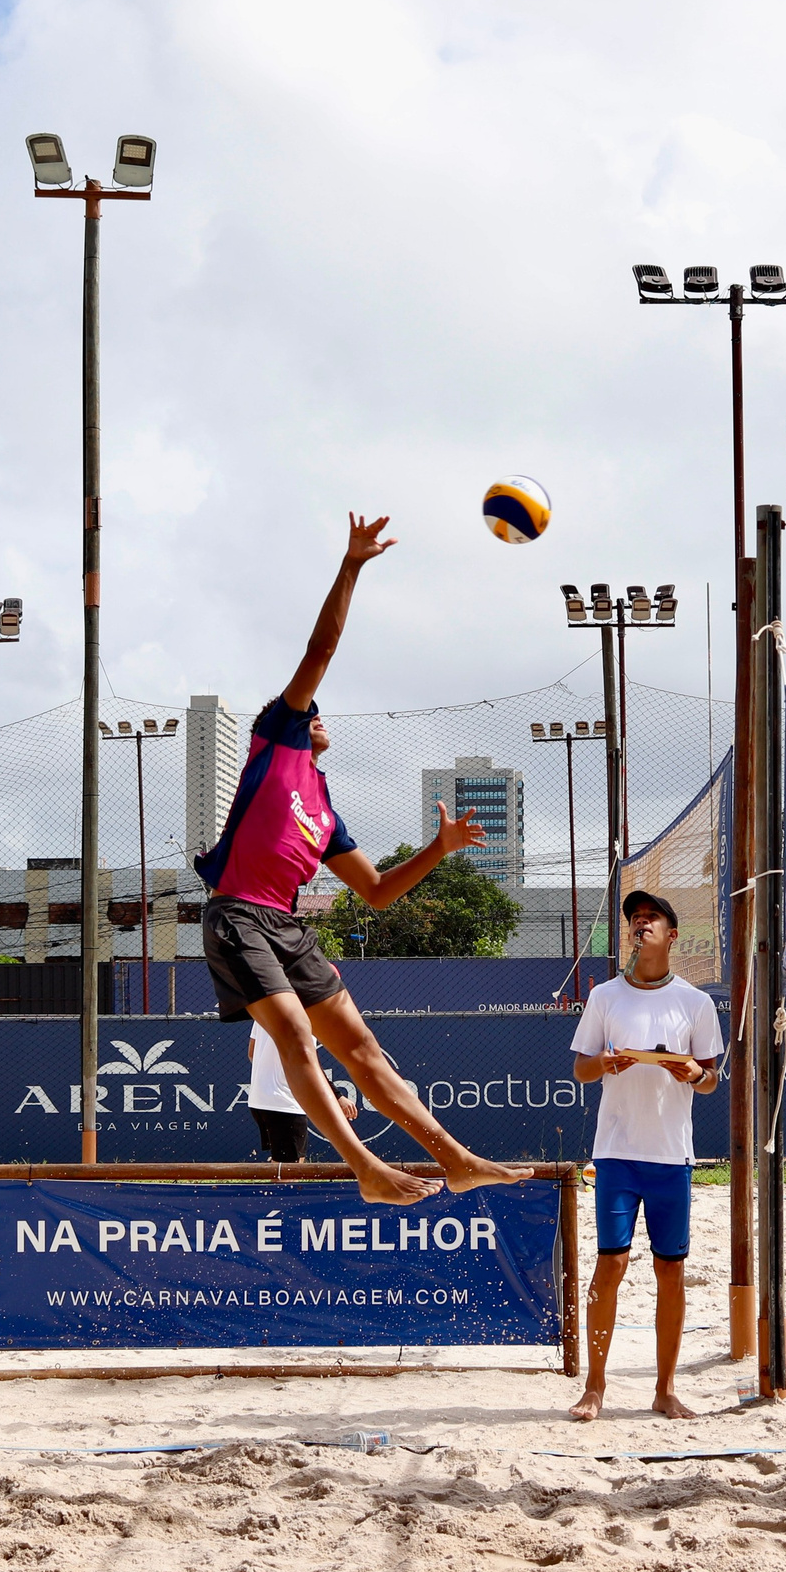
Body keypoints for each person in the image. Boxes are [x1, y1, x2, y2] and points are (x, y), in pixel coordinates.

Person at [195, 512, 523, 1206]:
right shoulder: (274, 741)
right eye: (313, 709)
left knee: (366, 1052)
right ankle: (366, 1167)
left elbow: (375, 890)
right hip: (236, 916)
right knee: (290, 1032)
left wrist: (437, 848)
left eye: (319, 711)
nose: (320, 713)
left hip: (285, 926)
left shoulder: (323, 808)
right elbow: (324, 646)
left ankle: (456, 1158)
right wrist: (352, 565)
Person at [566, 891, 722, 1422]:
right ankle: (594, 1386)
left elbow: (711, 1080)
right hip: (616, 1151)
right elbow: (581, 1070)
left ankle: (665, 1389)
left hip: (671, 1155)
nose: (640, 924)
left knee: (670, 1271)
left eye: (650, 918)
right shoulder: (606, 997)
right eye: (635, 919)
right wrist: (606, 1063)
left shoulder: (696, 1003)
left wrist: (695, 1074)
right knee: (611, 1263)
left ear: (672, 934)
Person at [245, 1021, 357, 1163]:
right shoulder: (303, 1017)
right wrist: (338, 1097)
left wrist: (270, 1074)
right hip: (284, 1103)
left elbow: (252, 1053)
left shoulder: (263, 1009)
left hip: (259, 1100)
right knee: (289, 1171)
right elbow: (308, 1064)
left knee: (283, 1166)